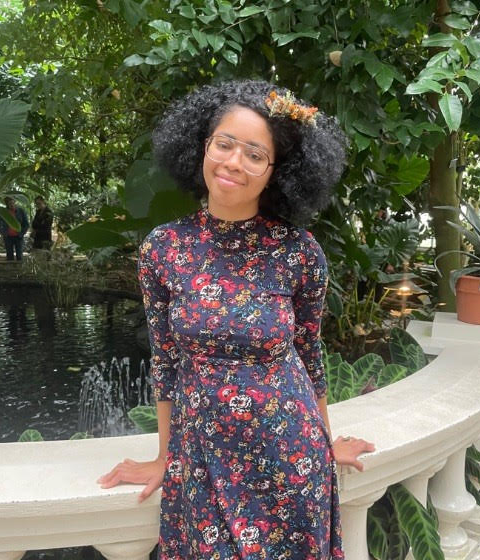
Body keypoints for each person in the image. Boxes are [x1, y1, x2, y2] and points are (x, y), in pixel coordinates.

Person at [98, 81, 374, 559]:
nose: (233, 162)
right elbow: (165, 363)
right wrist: (166, 457)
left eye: (254, 154)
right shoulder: (162, 250)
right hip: (201, 458)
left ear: (276, 172)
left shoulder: (299, 253)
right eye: (224, 144)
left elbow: (309, 355)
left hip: (289, 456)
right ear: (201, 147)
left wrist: (326, 444)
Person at [0, 196, 29, 261]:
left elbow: (26, 224)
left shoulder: (21, 211)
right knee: (9, 256)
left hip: (18, 236)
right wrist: (2, 232)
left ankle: (19, 270)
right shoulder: (3, 212)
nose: (12, 205)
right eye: (10, 204)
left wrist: (22, 233)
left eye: (13, 203)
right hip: (8, 237)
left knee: (19, 256)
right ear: (7, 204)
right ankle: (10, 269)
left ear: (15, 202)